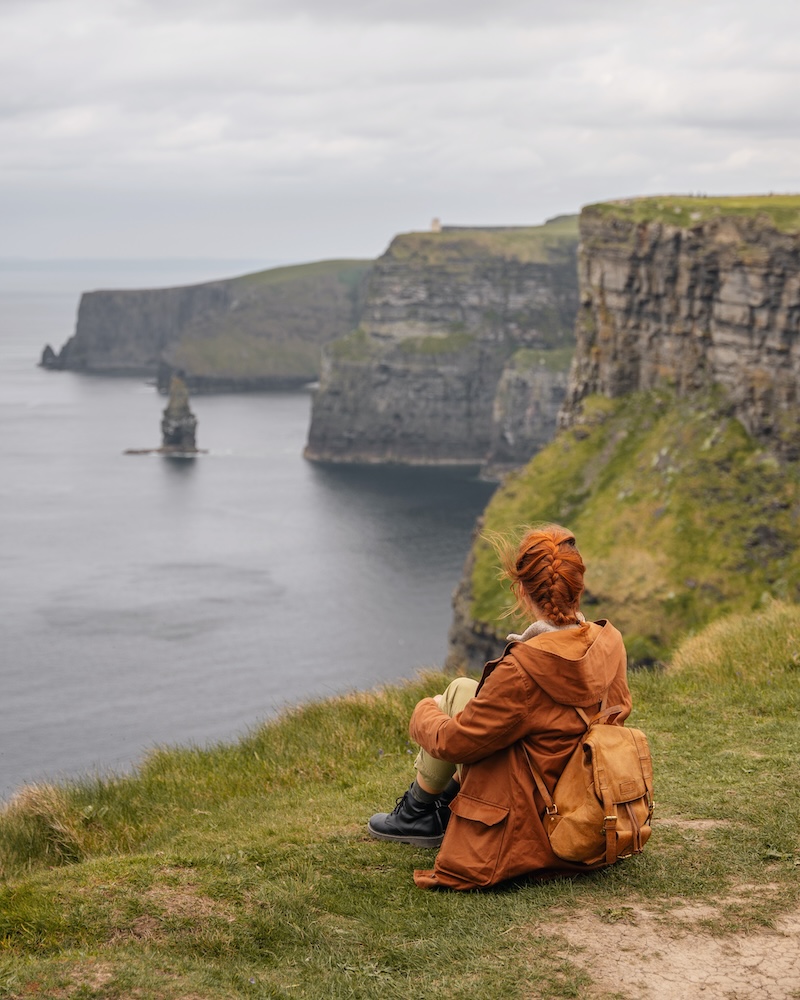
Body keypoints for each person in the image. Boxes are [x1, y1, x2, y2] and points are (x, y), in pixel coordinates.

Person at [367, 523, 632, 890]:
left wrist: (423, 710)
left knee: (448, 704)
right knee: (463, 689)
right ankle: (425, 810)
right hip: (589, 796)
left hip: (538, 813)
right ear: (578, 586)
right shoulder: (610, 642)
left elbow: (455, 743)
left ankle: (418, 812)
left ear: (522, 591)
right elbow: (619, 710)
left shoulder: (523, 670)